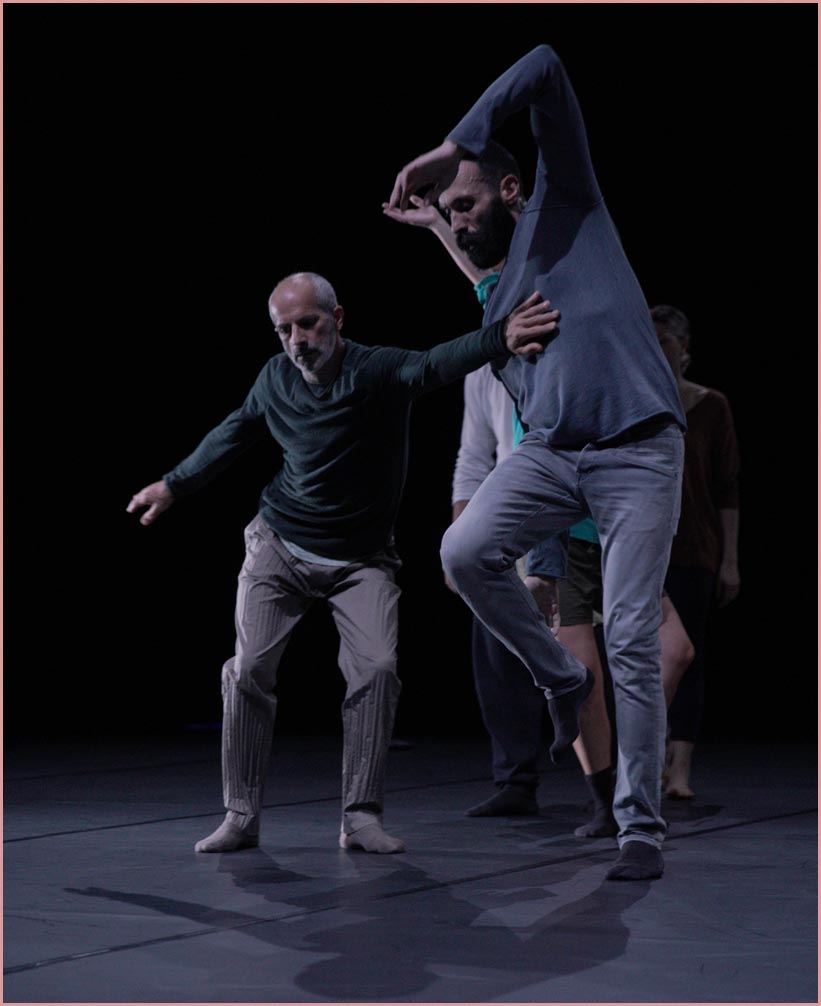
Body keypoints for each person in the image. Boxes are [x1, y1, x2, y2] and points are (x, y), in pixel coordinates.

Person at [126, 272, 557, 856]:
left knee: (376, 670)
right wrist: (174, 485)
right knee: (248, 668)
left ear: (337, 318)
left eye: (308, 324)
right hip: (279, 545)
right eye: (284, 330)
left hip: (361, 559)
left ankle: (360, 817)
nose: (297, 340)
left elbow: (434, 364)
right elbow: (235, 431)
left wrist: (498, 335)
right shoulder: (275, 378)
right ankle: (240, 815)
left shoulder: (374, 371)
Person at [388, 45, 686, 881]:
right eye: (451, 213)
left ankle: (638, 827)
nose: (458, 218)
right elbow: (478, 280)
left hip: (637, 449)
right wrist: (436, 227)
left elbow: (547, 65)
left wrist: (451, 145)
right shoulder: (501, 288)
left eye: (465, 204)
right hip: (553, 454)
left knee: (630, 637)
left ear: (510, 190)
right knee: (460, 552)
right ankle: (559, 676)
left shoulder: (569, 206)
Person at [652, 304, 740, 799]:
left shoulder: (711, 405)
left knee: (688, 656)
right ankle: (647, 759)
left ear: (684, 349)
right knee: (641, 657)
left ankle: (679, 768)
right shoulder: (636, 401)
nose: (656, 349)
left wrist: (730, 560)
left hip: (694, 548)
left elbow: (727, 488)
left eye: (664, 341)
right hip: (646, 547)